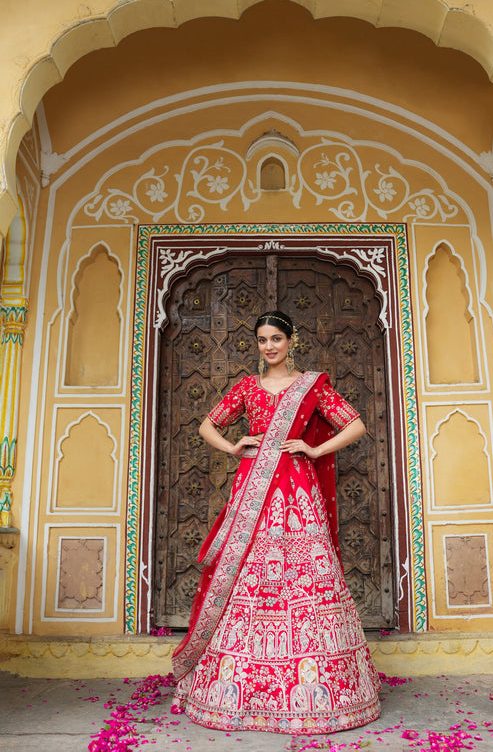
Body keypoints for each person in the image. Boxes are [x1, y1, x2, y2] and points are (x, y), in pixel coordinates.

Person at [171, 311, 381, 734]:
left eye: (277, 339)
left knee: (303, 580)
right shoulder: (247, 387)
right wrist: (234, 447)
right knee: (250, 578)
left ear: (292, 341)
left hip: (298, 493)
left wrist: (315, 450)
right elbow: (206, 425)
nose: (269, 346)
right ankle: (238, 687)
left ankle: (319, 687)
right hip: (254, 493)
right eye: (263, 340)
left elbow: (355, 425)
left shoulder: (311, 386)